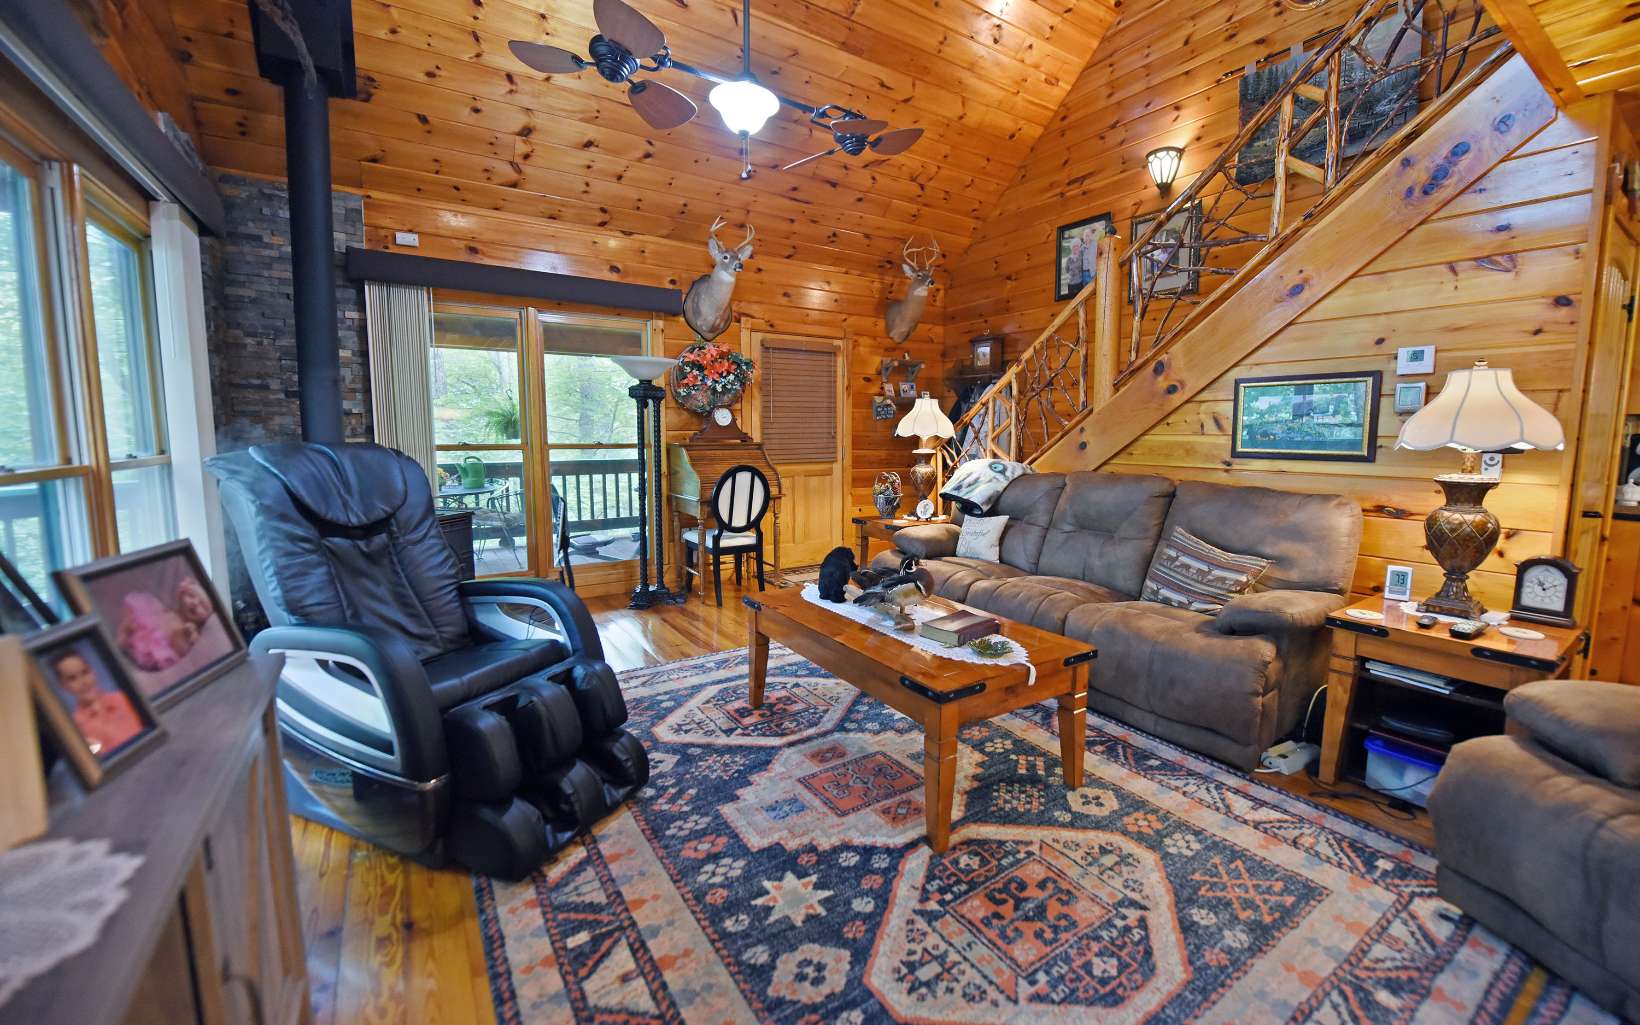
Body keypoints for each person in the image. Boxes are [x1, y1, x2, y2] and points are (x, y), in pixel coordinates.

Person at [54, 649, 143, 756]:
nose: (83, 682)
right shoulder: (76, 728)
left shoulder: (125, 699)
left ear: (93, 671)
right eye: (72, 678)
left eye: (85, 672)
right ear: (63, 686)